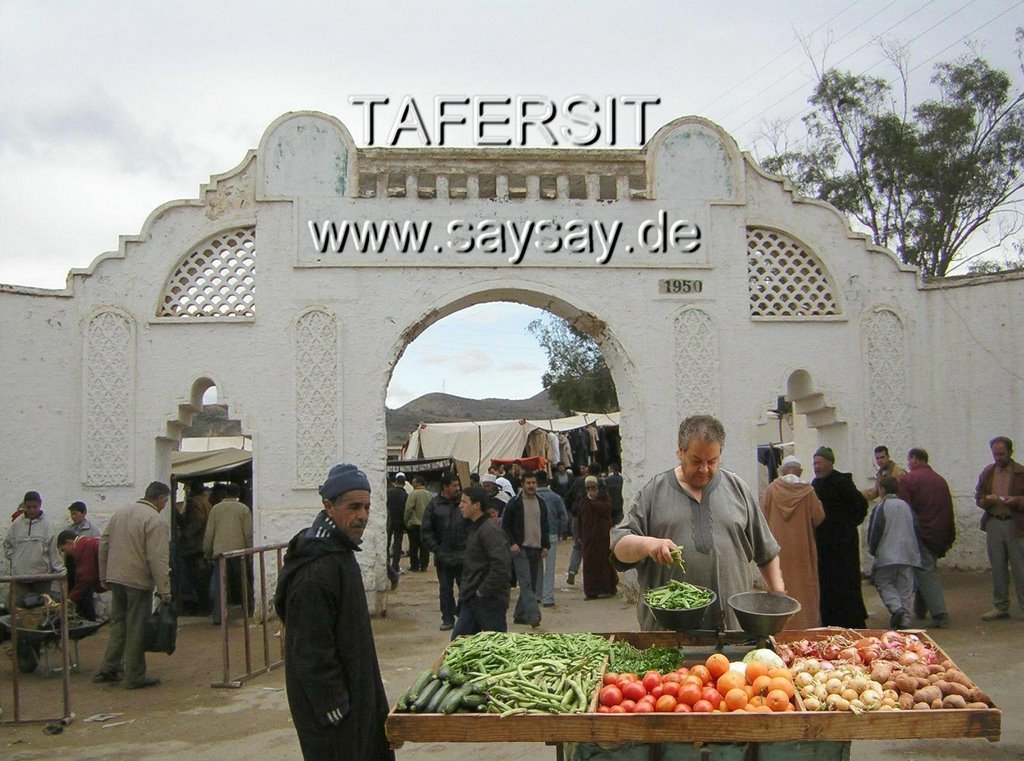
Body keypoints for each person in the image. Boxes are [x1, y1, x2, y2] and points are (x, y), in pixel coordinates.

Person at [611, 415, 783, 631]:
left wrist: (778, 597)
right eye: (696, 461)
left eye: (712, 461)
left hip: (731, 628)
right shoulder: (654, 492)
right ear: (680, 451)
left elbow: (766, 551)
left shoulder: (737, 489)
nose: (704, 469)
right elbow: (619, 548)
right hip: (668, 631)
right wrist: (649, 545)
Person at [273, 463, 394, 761]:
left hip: (356, 698)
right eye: (354, 507)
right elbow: (310, 651)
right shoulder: (315, 571)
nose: (363, 516)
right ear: (329, 505)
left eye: (366, 507)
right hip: (333, 714)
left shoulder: (338, 552)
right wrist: (335, 706)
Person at [95, 481, 172, 689]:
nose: (165, 504)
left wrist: (104, 575)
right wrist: (164, 589)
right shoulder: (155, 520)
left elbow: (103, 544)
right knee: (136, 627)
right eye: (165, 500)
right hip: (137, 581)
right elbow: (157, 557)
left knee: (118, 624)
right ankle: (135, 675)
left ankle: (109, 667)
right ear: (160, 499)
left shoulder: (120, 514)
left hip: (115, 577)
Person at [759, 455, 825, 629]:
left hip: (777, 551)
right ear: (800, 471)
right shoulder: (808, 491)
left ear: (782, 470)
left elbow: (762, 517)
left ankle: (779, 626)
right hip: (802, 550)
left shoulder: (772, 490)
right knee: (804, 589)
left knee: (778, 586)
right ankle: (804, 625)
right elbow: (819, 517)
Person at [3, 490, 61, 672]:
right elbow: (7, 545)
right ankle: (22, 658)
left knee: (38, 619)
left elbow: (53, 552)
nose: (31, 510)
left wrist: (59, 571)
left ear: (40, 505)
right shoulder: (16, 526)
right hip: (20, 578)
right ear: (24, 506)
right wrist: (16, 561)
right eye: (28, 507)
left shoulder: (48, 527)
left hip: (42, 578)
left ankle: (35, 654)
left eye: (34, 506)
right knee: (20, 618)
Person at [897, 447, 955, 628]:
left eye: (909, 460)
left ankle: (940, 614)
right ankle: (921, 609)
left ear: (914, 459)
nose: (908, 463)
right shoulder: (940, 480)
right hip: (941, 531)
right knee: (926, 567)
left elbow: (904, 509)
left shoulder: (909, 480)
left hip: (922, 532)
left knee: (924, 571)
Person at [812, 446, 868, 628]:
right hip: (824, 546)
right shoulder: (815, 485)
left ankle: (851, 621)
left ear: (829, 463)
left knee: (846, 583)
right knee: (827, 584)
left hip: (844, 546)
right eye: (814, 463)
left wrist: (845, 526)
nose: (816, 467)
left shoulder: (842, 482)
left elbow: (860, 507)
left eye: (819, 463)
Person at [451, 486, 512, 639]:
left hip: (489, 600)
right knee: (459, 644)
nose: (461, 505)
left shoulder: (490, 530)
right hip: (472, 598)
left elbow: (501, 566)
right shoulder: (474, 528)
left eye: (464, 502)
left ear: (477, 505)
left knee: (495, 645)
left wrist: (483, 591)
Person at [975, 436, 1024, 620]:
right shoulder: (988, 472)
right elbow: (978, 496)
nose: (998, 457)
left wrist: (1017, 501)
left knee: (1021, 568)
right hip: (994, 522)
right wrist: (985, 500)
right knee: (998, 567)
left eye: (1001, 454)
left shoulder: (1020, 472)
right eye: (995, 454)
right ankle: (1000, 606)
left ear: (1010, 452)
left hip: (1015, 523)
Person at [866, 476, 921, 630]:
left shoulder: (881, 507)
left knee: (883, 582)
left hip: (887, 553)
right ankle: (905, 620)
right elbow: (916, 528)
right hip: (908, 554)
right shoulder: (906, 506)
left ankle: (897, 609)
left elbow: (875, 531)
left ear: (882, 489)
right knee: (905, 588)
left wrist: (873, 549)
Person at [500, 470, 550, 628]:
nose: (531, 486)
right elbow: (505, 526)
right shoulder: (514, 503)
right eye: (528, 483)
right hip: (520, 549)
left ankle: (519, 615)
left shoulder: (541, 502)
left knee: (532, 583)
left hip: (536, 549)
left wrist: (545, 545)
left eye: (533, 483)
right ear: (522, 485)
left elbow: (545, 525)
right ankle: (533, 615)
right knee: (526, 582)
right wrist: (512, 543)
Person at [420, 472, 466, 631]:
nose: (457, 489)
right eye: (454, 486)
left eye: (458, 485)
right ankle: (447, 618)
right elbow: (426, 531)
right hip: (443, 557)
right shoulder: (434, 506)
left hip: (463, 556)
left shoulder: (463, 504)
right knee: (446, 590)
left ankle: (462, 615)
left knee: (465, 588)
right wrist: (436, 549)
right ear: (445, 487)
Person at [203, 482, 254, 625]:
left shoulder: (216, 509)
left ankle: (218, 617)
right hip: (239, 551)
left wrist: (207, 551)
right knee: (243, 582)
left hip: (220, 553)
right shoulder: (243, 509)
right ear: (238, 494)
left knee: (220, 585)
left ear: (225, 493)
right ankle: (248, 611)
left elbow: (209, 533)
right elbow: (248, 533)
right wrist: (251, 551)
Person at [577, 475, 618, 599]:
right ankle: (591, 591)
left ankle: (608, 588)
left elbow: (607, 510)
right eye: (588, 488)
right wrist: (580, 535)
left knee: (605, 563)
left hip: (602, 537)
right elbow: (580, 519)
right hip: (588, 539)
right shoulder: (583, 501)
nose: (591, 490)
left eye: (593, 487)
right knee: (589, 565)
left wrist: (594, 501)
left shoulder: (603, 498)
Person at [175, 485, 212, 614]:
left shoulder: (194, 502)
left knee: (192, 579)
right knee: (201, 580)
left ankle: (198, 607)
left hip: (193, 547)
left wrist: (185, 534)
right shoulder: (206, 502)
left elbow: (196, 523)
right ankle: (204, 607)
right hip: (199, 546)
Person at [535, 470, 569, 607]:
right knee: (550, 567)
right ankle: (548, 598)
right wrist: (560, 532)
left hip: (535, 535)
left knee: (537, 567)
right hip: (552, 534)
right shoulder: (555, 498)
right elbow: (564, 517)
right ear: (547, 481)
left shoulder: (532, 497)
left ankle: (537, 595)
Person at [56, 529, 104, 621]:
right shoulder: (89, 542)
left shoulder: (82, 547)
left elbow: (86, 578)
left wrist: (69, 600)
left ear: (69, 543)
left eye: (63, 549)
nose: (65, 553)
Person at [565, 464, 591, 585]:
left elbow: (568, 497)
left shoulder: (577, 482)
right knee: (590, 546)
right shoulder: (596, 484)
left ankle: (572, 570)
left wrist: (573, 511)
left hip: (576, 516)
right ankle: (589, 575)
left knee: (577, 545)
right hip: (590, 518)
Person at [403, 477, 432, 573]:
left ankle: (414, 566)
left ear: (418, 483)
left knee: (414, 546)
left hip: (414, 524)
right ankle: (424, 565)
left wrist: (406, 521)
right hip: (426, 524)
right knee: (425, 546)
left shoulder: (413, 494)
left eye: (414, 482)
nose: (412, 484)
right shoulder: (429, 494)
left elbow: (408, 509)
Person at [385, 475, 408, 589]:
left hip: (388, 521)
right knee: (398, 543)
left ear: (395, 481)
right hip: (400, 522)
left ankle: (387, 564)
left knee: (386, 543)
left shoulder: (388, 492)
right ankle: (395, 565)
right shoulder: (405, 495)